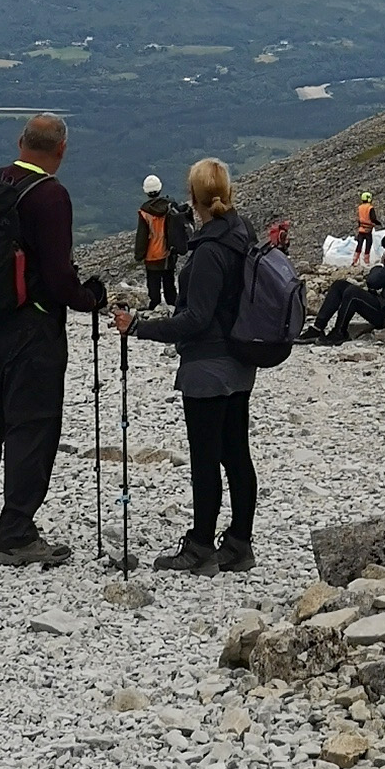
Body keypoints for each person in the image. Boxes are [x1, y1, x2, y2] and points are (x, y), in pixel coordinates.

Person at [0, 113, 102, 566]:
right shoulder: (50, 196)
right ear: (62, 150)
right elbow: (57, 277)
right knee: (31, 426)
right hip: (30, 332)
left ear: (20, 142)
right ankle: (17, 531)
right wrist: (87, 297)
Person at [115, 157, 260, 575]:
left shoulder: (210, 249)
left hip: (207, 366)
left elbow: (195, 318)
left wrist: (138, 327)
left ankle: (199, 547)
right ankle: (239, 543)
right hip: (239, 360)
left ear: (193, 196)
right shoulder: (241, 231)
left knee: (205, 457)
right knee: (236, 453)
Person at [308, 230, 385, 344]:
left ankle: (338, 332)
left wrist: (379, 266)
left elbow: (372, 281)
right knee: (340, 285)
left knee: (352, 293)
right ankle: (318, 328)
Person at [135, 174, 189, 310]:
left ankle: (154, 305)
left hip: (151, 255)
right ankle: (173, 305)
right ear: (160, 188)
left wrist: (139, 254)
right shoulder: (170, 207)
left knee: (153, 284)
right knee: (169, 282)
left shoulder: (144, 212)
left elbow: (142, 236)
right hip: (168, 253)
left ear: (146, 191)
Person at [353, 191, 380, 264]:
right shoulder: (370, 208)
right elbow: (373, 218)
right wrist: (378, 223)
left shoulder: (360, 207)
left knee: (359, 245)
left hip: (361, 229)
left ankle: (355, 260)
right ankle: (366, 261)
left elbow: (359, 218)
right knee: (368, 245)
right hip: (368, 230)